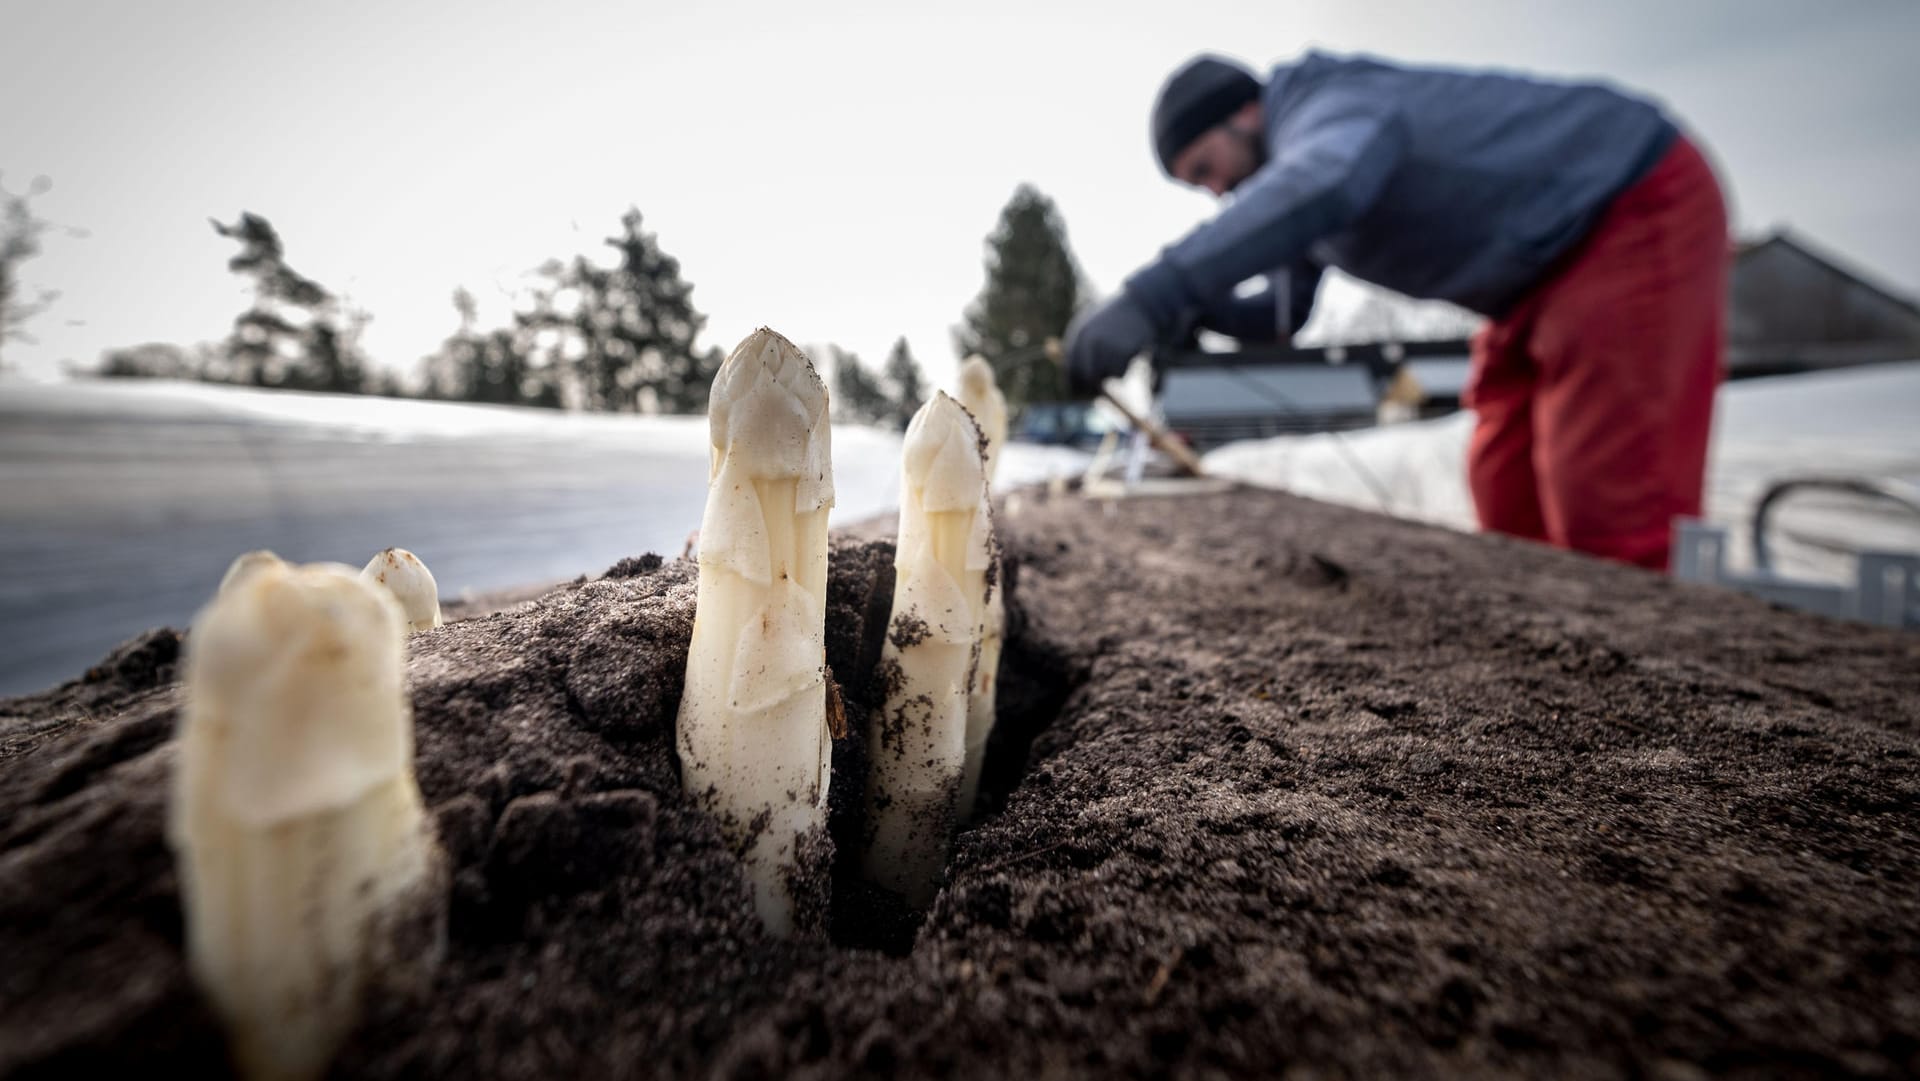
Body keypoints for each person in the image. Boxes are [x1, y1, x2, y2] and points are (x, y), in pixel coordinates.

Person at [1063, 52, 1729, 571]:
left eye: (1207, 167)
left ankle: (1658, 723)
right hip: (1527, 285)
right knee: (1506, 480)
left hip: (1623, 210)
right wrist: (1202, 313)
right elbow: (1285, 313)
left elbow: (1325, 184)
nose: (1217, 192)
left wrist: (1155, 293)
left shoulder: (1332, 106)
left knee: (1608, 499)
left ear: (1244, 113)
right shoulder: (1305, 172)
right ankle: (1564, 671)